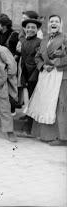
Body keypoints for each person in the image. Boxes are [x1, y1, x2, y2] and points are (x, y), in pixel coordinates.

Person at [28, 15, 67, 146]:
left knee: (59, 104)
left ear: (61, 24)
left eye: (56, 21)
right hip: (46, 75)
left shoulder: (65, 38)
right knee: (45, 102)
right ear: (48, 24)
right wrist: (43, 66)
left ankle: (62, 137)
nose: (53, 23)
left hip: (60, 75)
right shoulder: (44, 40)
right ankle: (47, 135)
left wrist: (55, 63)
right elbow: (37, 57)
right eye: (51, 22)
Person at [16, 16, 42, 135]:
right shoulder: (24, 42)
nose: (30, 29)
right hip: (26, 74)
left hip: (35, 75)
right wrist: (24, 77)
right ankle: (28, 124)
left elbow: (38, 60)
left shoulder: (39, 42)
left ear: (37, 30)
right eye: (28, 27)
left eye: (33, 27)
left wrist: (33, 76)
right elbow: (23, 60)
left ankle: (29, 128)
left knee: (32, 100)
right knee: (28, 100)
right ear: (25, 29)